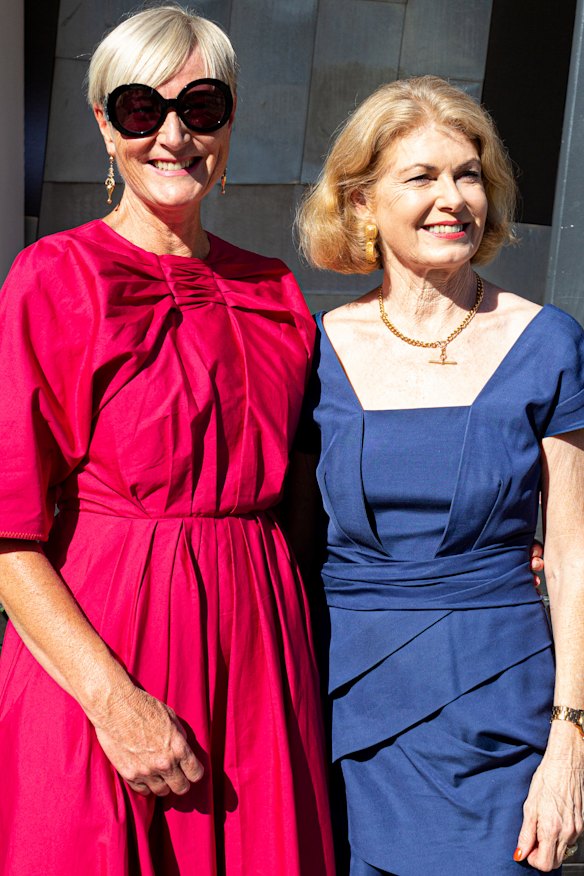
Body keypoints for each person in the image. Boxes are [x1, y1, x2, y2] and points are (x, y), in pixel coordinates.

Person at [0, 6, 335, 874]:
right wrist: (116, 705)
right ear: (106, 125)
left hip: (261, 658)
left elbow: (317, 485)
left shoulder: (277, 293)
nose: (175, 135)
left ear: (230, 122)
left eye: (203, 107)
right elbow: (8, 535)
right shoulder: (53, 277)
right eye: (142, 109)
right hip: (105, 660)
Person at [295, 76, 584, 875]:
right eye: (420, 177)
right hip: (342, 711)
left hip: (501, 715)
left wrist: (570, 743)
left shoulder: (550, 342)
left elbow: (573, 557)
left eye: (467, 175)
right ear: (360, 204)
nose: (453, 197)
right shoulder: (313, 350)